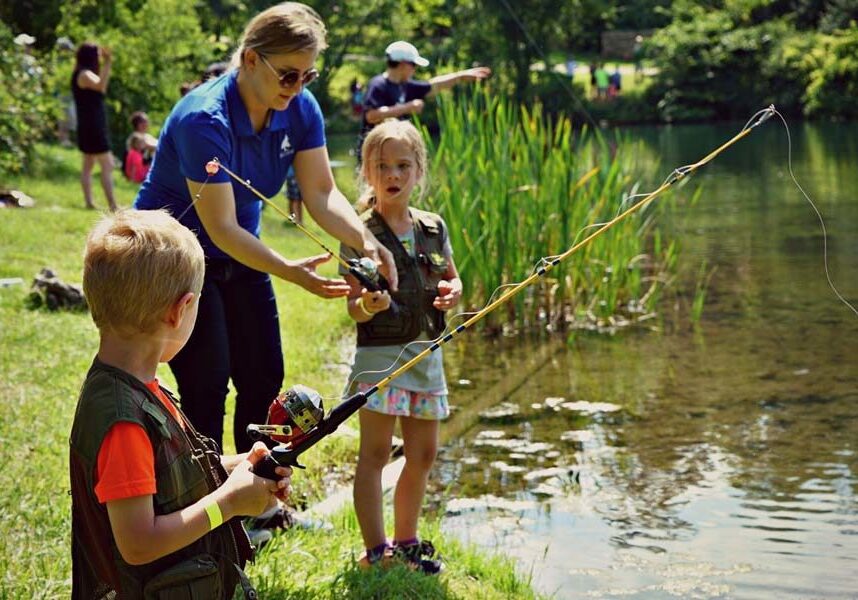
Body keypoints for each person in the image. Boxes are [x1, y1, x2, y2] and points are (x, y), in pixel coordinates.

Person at [133, 2, 396, 453]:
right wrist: (291, 271)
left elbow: (321, 193)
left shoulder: (300, 107)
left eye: (308, 76)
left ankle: (257, 485)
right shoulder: (204, 119)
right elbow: (221, 227)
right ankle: (207, 493)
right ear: (250, 59)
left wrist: (366, 240)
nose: (298, 88)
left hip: (241, 251)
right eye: (289, 75)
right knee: (206, 383)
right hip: (177, 259)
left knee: (264, 374)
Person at [70, 209, 292, 599]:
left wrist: (237, 467)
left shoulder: (137, 386)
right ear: (180, 310)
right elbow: (139, 543)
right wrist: (228, 502)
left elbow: (164, 477)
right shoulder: (124, 423)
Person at [340, 120, 462, 573]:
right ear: (367, 172)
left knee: (423, 455)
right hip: (380, 361)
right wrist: (368, 305)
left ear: (418, 171)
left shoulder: (433, 227)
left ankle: (407, 541)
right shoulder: (357, 233)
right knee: (374, 454)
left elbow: (452, 279)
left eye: (403, 166)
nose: (393, 175)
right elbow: (354, 308)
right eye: (382, 166)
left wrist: (453, 292)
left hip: (427, 358)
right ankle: (376, 552)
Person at [356, 40, 491, 163]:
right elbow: (371, 115)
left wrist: (460, 76)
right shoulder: (378, 85)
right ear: (403, 64)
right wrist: (407, 107)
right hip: (373, 154)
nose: (415, 69)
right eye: (413, 65)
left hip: (392, 155)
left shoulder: (405, 85)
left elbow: (433, 85)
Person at [71, 42, 117, 211]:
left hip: (89, 124)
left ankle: (89, 202)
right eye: (97, 55)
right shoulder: (84, 74)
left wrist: (106, 64)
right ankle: (112, 205)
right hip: (92, 126)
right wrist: (108, 63)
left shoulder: (83, 73)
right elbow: (101, 86)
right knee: (107, 165)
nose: (99, 58)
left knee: (88, 165)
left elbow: (99, 86)